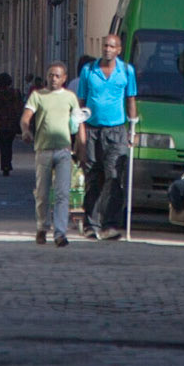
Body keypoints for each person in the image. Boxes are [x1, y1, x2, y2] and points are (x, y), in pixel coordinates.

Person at [76, 31, 138, 239]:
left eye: (112, 47)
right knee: (93, 175)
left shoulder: (127, 71)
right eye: (105, 46)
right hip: (93, 128)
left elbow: (130, 100)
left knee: (113, 177)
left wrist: (133, 128)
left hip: (116, 130)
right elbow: (81, 104)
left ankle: (109, 224)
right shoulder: (88, 70)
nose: (108, 50)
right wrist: (80, 134)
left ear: (119, 50)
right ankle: (91, 223)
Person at [22, 61, 85, 246]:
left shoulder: (70, 97)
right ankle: (42, 227)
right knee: (42, 194)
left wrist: (81, 147)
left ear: (64, 78)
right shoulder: (38, 96)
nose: (54, 79)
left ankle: (60, 233)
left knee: (62, 193)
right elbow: (26, 117)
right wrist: (26, 130)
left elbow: (79, 122)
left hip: (64, 151)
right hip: (43, 151)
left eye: (57, 76)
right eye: (51, 75)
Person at [0, 71, 25, 174]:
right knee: (9, 144)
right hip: (12, 123)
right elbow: (20, 107)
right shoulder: (16, 93)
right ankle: (8, 163)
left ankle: (4, 164)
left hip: (0, 123)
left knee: (2, 145)